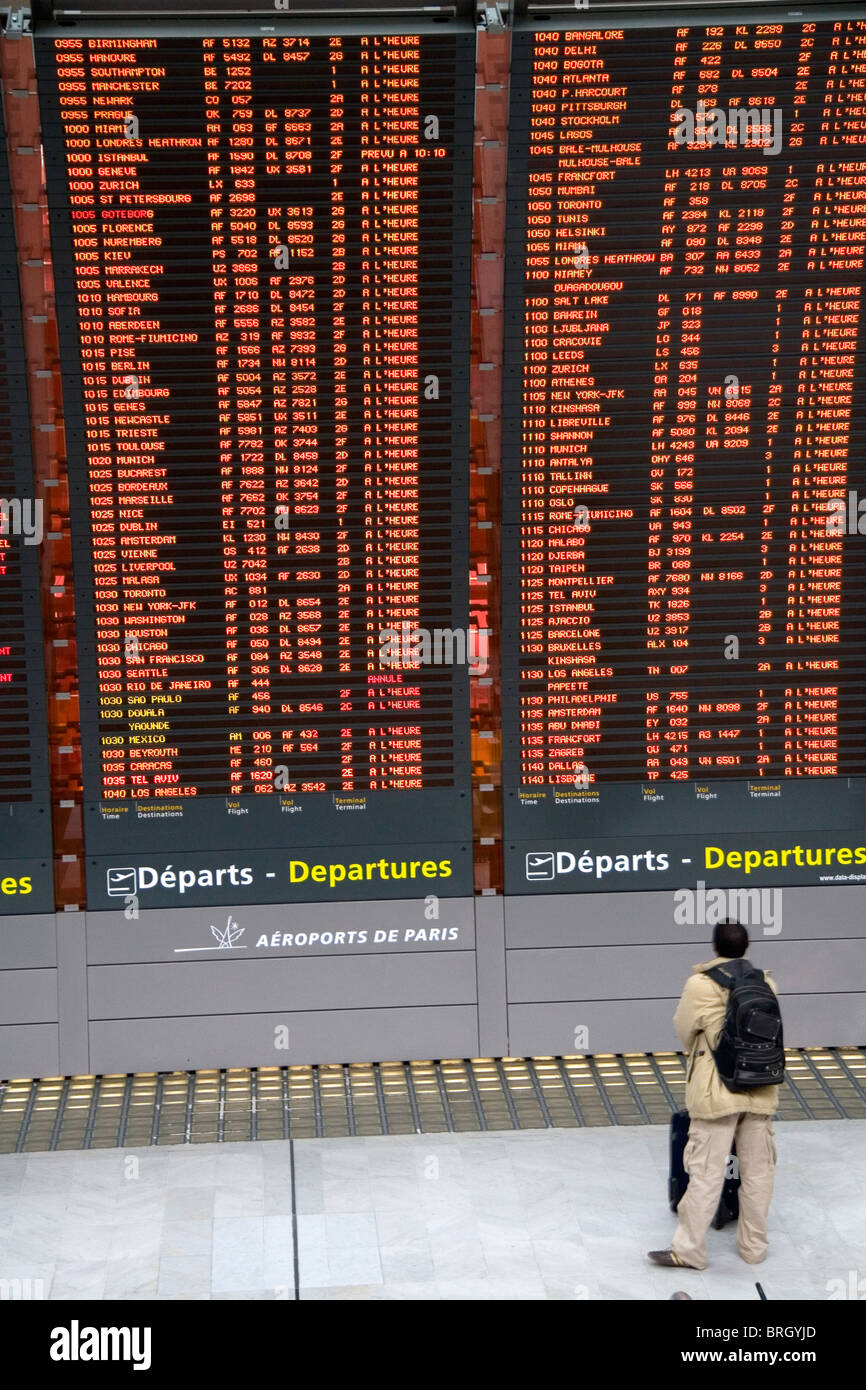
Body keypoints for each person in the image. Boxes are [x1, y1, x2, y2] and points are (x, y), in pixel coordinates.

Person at [649, 919, 779, 1271]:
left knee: (706, 1173)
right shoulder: (765, 982)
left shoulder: (700, 984)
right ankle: (754, 1248)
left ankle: (689, 1251)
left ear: (715, 947)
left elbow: (684, 1029)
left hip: (715, 1092)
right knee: (758, 1174)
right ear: (746, 946)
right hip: (760, 1087)